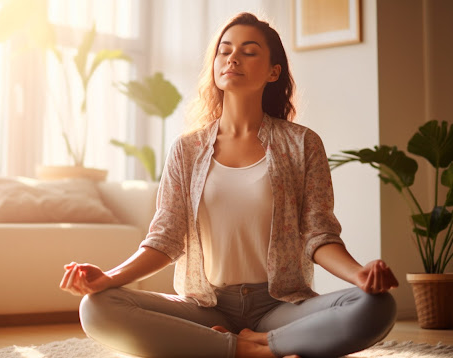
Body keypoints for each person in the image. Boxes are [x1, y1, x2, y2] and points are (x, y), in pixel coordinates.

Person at [59, 12, 398, 358]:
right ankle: (248, 348)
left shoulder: (302, 144)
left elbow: (318, 234)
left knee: (377, 306)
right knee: (96, 307)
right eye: (225, 50)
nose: (233, 57)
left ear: (273, 71)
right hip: (207, 307)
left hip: (278, 306)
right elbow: (166, 238)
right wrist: (108, 278)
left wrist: (360, 274)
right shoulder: (187, 149)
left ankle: (254, 343)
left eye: (249, 52)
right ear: (216, 64)